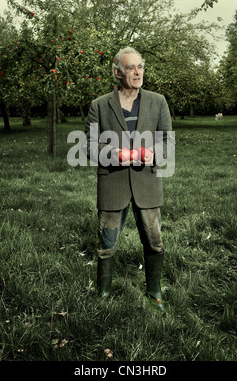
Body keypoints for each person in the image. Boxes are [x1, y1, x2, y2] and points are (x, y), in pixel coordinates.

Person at [85, 46, 172, 310]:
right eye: (131, 68)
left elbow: (167, 142)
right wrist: (114, 153)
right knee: (106, 243)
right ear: (117, 73)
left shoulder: (158, 101)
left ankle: (154, 291)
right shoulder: (99, 105)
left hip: (147, 182)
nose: (137, 72)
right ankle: (103, 292)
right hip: (113, 182)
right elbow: (88, 146)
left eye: (140, 66)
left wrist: (152, 153)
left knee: (154, 241)